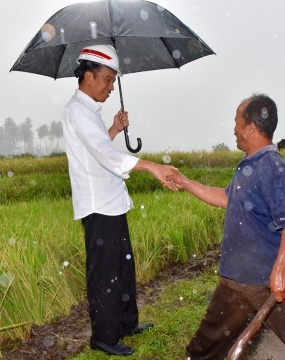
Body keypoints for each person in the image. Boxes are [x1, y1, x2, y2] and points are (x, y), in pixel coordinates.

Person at [172, 94, 285, 359]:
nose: (233, 128)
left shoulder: (271, 166)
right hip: (234, 280)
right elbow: (226, 198)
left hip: (265, 282)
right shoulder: (249, 165)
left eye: (236, 121)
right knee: (204, 349)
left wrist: (280, 271)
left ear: (251, 128)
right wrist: (185, 182)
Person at [61, 44, 178, 356]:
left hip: (112, 201)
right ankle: (103, 336)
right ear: (88, 77)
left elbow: (98, 146)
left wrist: (113, 127)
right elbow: (104, 155)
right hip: (98, 205)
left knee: (124, 267)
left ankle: (126, 323)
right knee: (105, 273)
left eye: (113, 81)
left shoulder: (89, 112)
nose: (111, 87)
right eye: (107, 80)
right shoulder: (78, 111)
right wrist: (152, 166)